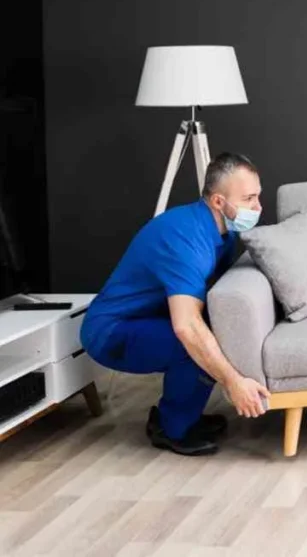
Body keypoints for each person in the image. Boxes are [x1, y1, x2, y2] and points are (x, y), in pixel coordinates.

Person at [80, 152, 270, 455]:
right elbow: (186, 327)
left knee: (213, 331)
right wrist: (234, 382)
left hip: (152, 317)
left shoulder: (223, 232)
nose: (258, 207)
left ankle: (184, 416)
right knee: (193, 343)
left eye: (258, 196)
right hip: (112, 332)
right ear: (218, 201)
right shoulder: (185, 239)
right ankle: (172, 428)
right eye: (249, 199)